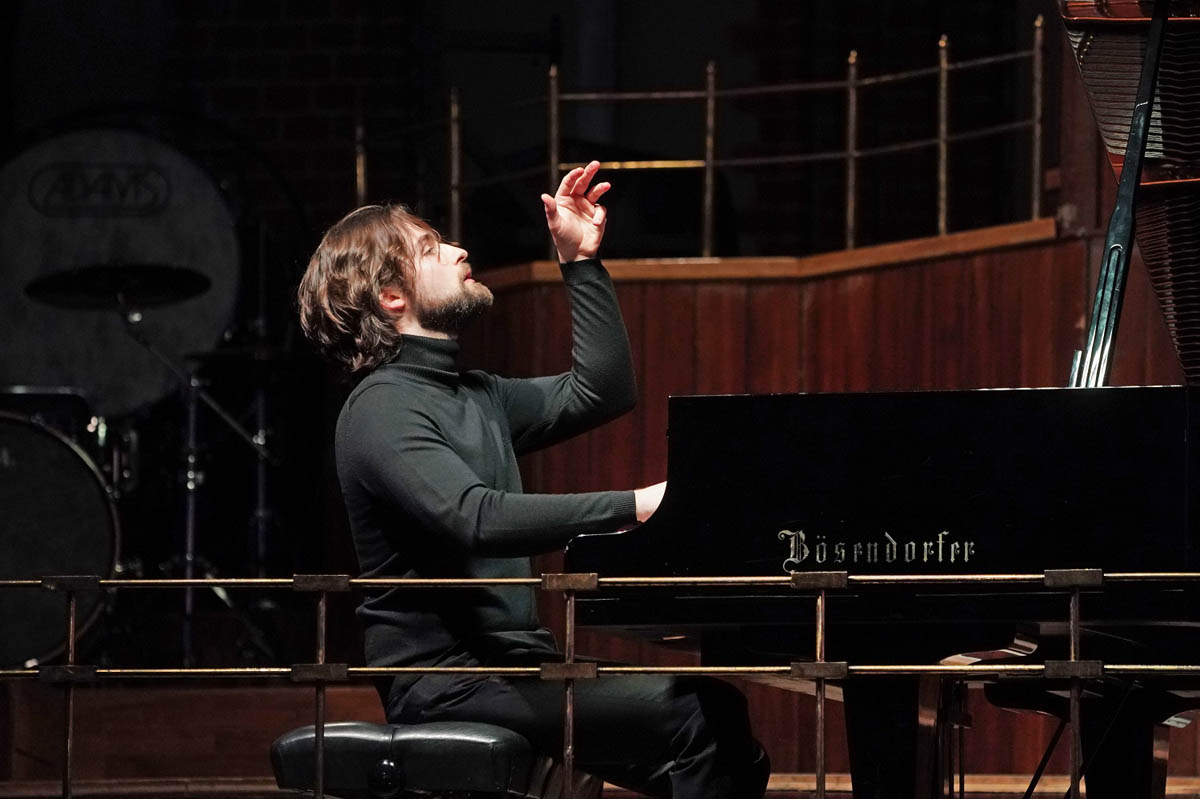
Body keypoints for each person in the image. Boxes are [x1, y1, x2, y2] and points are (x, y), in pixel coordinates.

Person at [296, 161, 769, 798]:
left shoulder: (475, 393)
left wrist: (581, 263)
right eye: (432, 249)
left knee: (729, 739)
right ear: (391, 297)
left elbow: (603, 390)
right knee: (698, 716)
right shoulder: (379, 408)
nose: (459, 251)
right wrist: (635, 505)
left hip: (517, 667)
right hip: (450, 681)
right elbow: (475, 517)